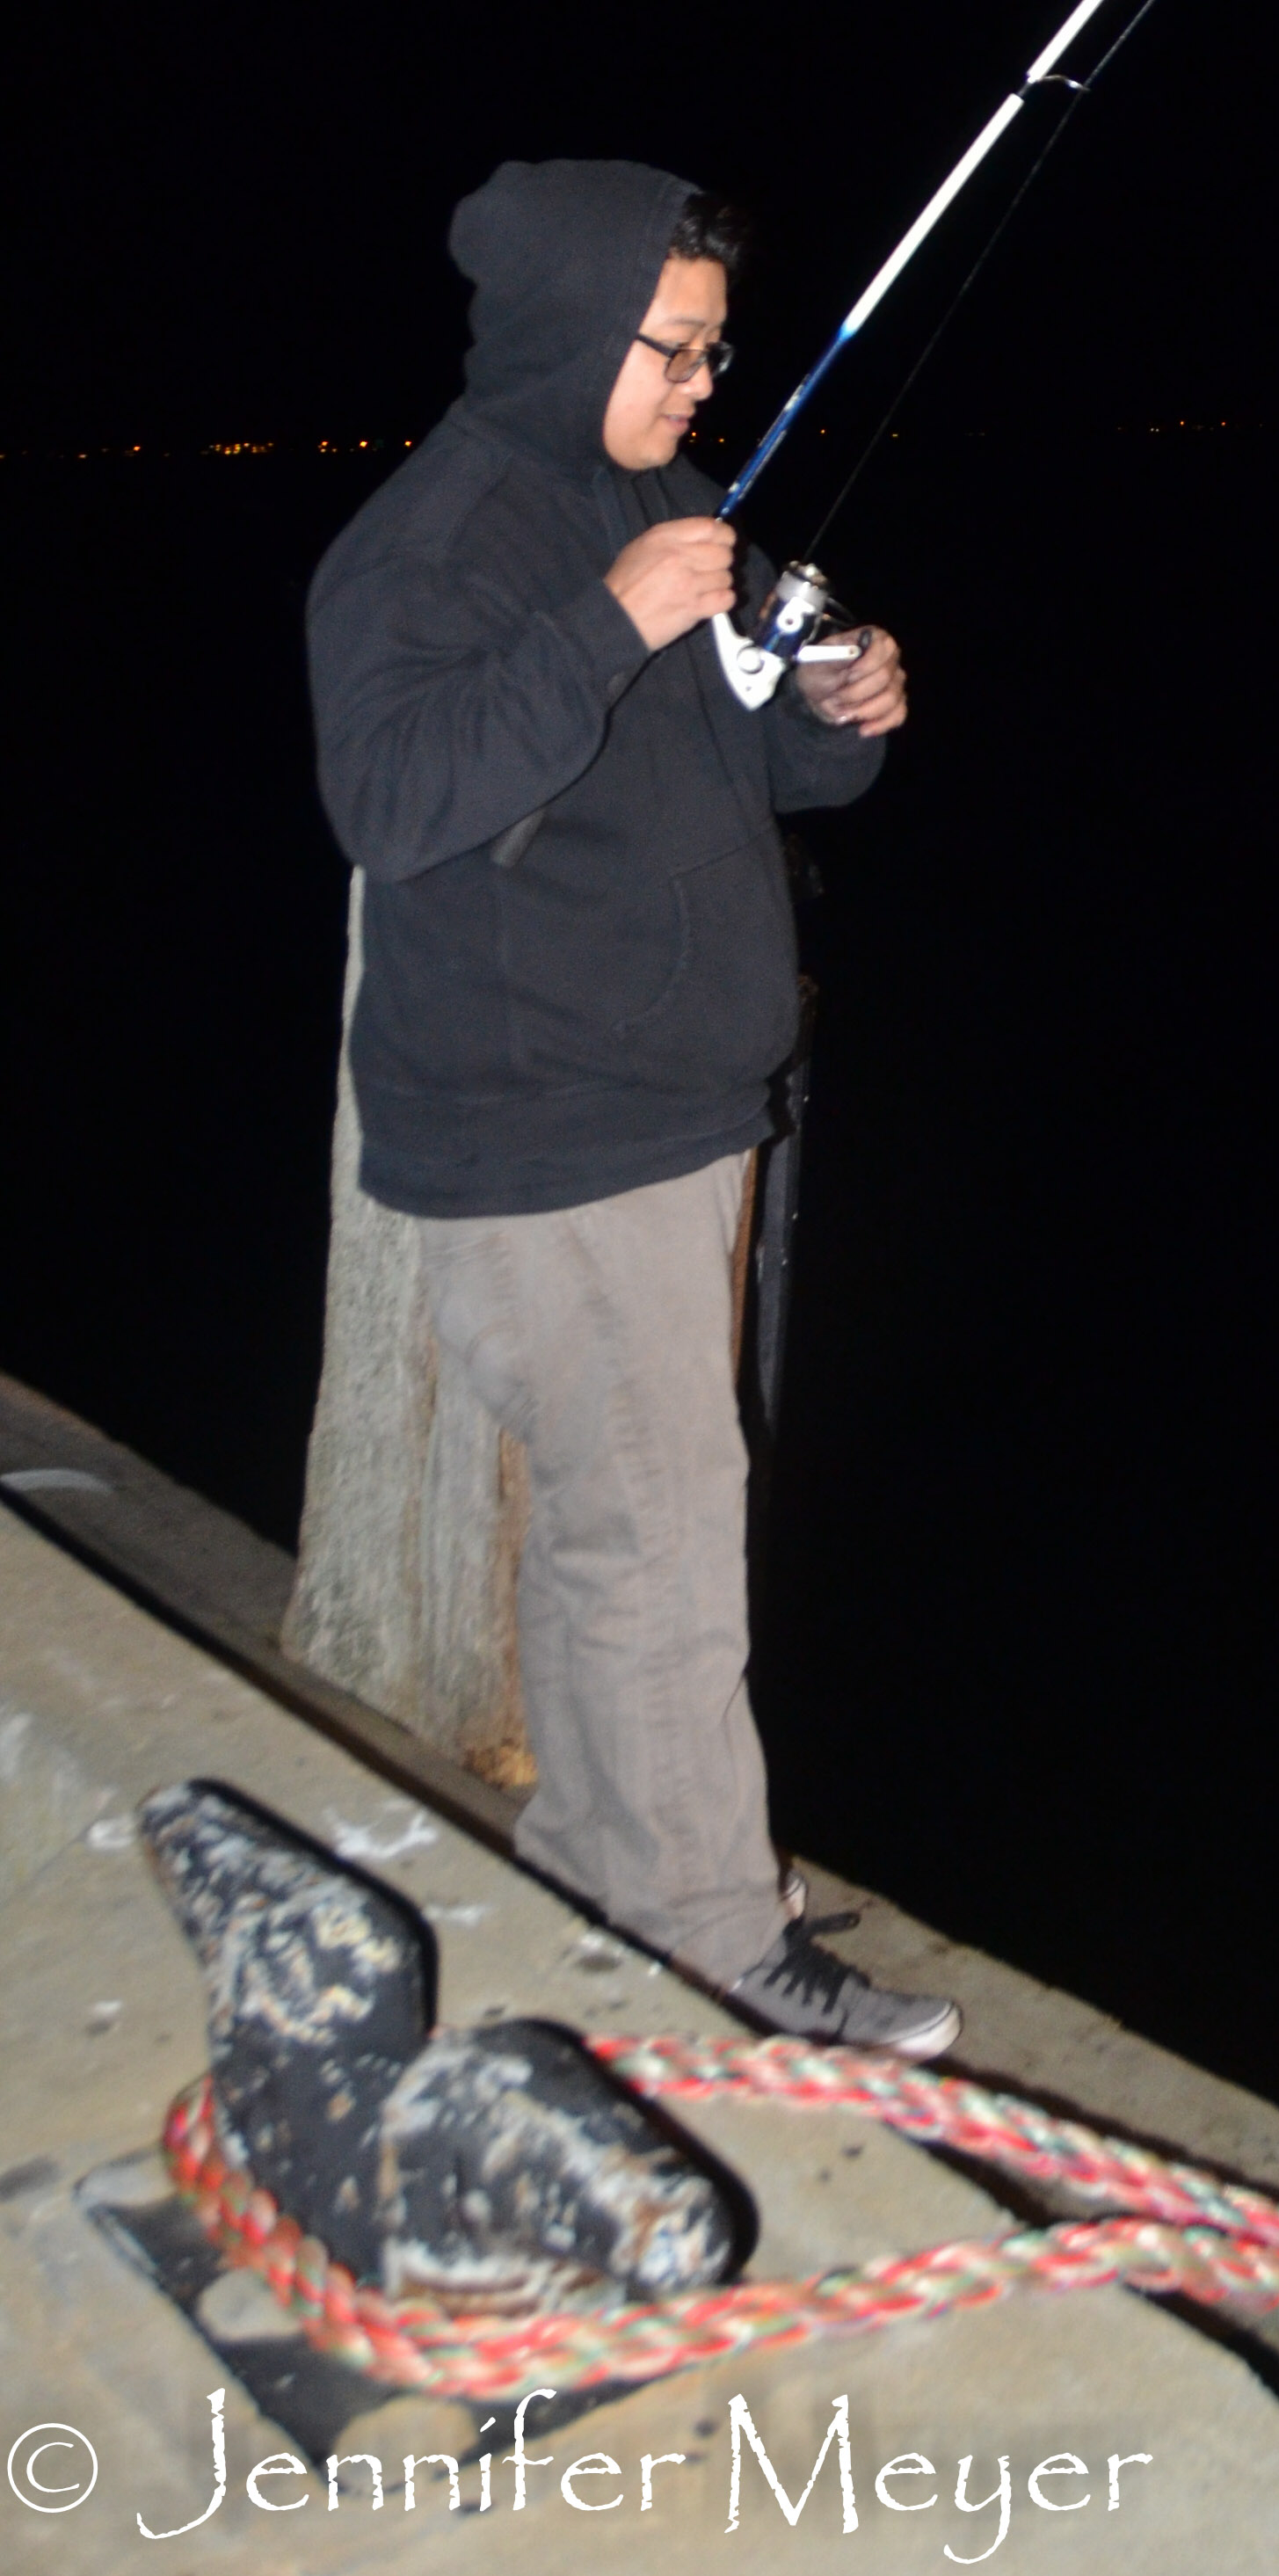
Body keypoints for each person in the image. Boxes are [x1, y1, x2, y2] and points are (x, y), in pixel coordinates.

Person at [307, 155, 954, 2051]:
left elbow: (734, 774)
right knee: (659, 1527)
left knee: (634, 1513)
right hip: (541, 1137)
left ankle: (614, 1855)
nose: (702, 387)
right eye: (672, 349)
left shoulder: (665, 504)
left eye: (713, 350)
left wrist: (837, 713)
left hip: (677, 1111)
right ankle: (711, 1935)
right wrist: (604, 620)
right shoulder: (433, 544)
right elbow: (397, 799)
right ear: (575, 331)